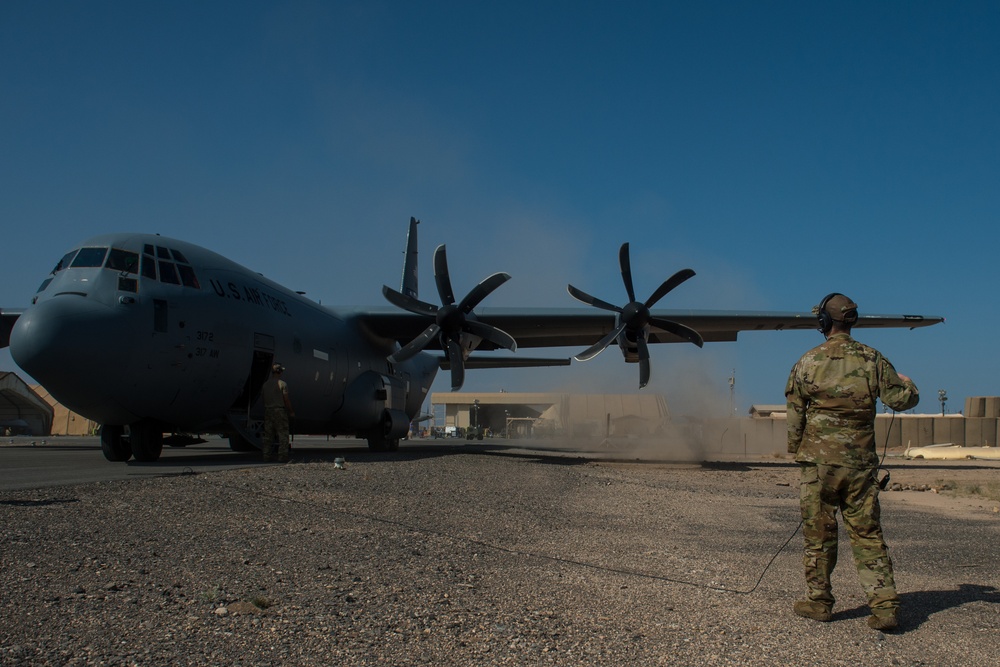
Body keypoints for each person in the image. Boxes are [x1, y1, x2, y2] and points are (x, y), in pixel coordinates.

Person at [785, 293, 919, 632]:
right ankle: (885, 607)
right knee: (868, 534)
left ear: (824, 323)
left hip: (819, 465)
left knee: (819, 535)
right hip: (860, 464)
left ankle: (819, 603)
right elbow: (902, 400)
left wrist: (796, 448)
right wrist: (907, 384)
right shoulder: (872, 359)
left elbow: (795, 410)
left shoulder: (808, 361)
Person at [261, 363, 294, 463]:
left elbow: (263, 398)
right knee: (283, 434)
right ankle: (282, 456)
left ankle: (266, 456)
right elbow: (286, 399)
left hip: (268, 411)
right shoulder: (282, 384)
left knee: (268, 435)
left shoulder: (265, 384)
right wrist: (291, 411)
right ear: (279, 372)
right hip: (279, 411)